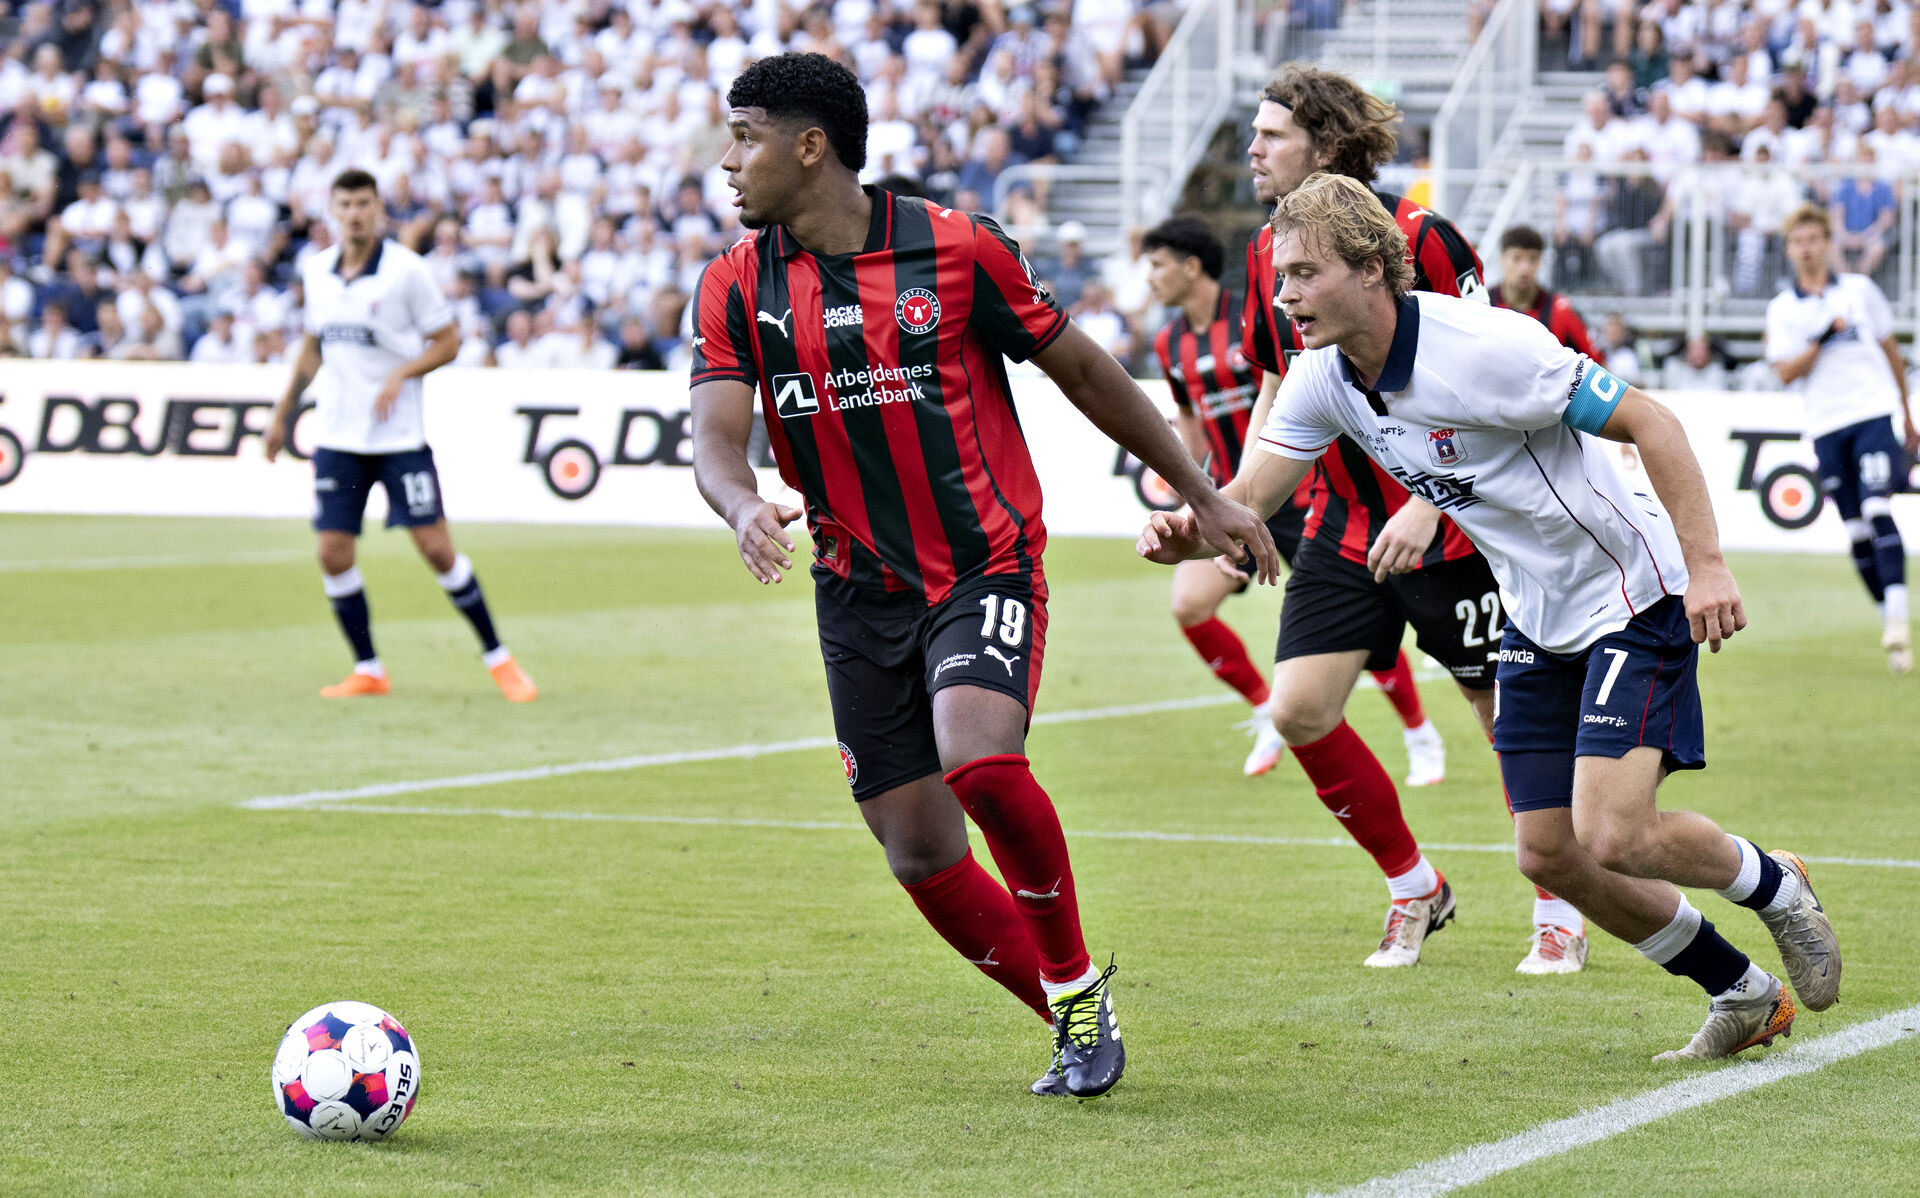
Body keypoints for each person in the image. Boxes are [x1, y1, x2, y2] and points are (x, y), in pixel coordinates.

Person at [1142, 171, 1842, 1059]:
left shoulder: (1486, 347)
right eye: (1281, 277)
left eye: (1304, 275)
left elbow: (1654, 423)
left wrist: (1706, 567)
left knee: (1613, 832)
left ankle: (1775, 885)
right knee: (1548, 855)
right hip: (1533, 613)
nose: (1284, 297)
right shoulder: (1322, 379)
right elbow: (1248, 497)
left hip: (1633, 589)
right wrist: (1189, 529)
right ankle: (1741, 993)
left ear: (1368, 270)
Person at [689, 54, 1277, 1101]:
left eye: (745, 136)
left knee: (980, 760)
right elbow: (717, 440)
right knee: (918, 851)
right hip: (857, 591)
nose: (728, 161)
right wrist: (743, 506)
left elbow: (1087, 372)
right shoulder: (739, 282)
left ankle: (1074, 990)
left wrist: (1209, 492)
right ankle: (1075, 1009)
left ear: (809, 145)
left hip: (982, 565)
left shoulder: (952, 248)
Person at [1240, 64, 1585, 975]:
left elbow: (1479, 379)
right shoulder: (1266, 252)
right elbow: (1280, 386)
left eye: (1272, 134)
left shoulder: (1417, 235)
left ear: (1324, 145)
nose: (1254, 149)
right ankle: (1414, 888)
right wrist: (1231, 506)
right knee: (1300, 711)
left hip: (1454, 526)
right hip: (1343, 525)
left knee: (1501, 717)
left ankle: (1562, 904)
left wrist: (1428, 507)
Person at [264, 169, 537, 704]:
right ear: (331, 210)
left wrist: (401, 373)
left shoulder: (407, 272)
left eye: (363, 203)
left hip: (397, 437)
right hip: (340, 437)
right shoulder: (317, 271)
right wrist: (282, 414)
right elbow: (313, 347)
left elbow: (449, 341)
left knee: (436, 549)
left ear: (378, 209)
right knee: (332, 552)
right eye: (344, 204)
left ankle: (499, 660)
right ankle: (368, 668)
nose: (354, 213)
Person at [1144, 215, 1309, 759]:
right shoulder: (1169, 344)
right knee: (1190, 604)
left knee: (1347, 610)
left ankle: (1416, 730)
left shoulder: (1252, 315)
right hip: (1228, 500)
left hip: (1294, 489)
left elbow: (1288, 388)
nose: (1150, 277)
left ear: (1192, 267)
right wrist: (1182, 490)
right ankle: (1265, 709)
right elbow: (1190, 430)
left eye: (1158, 264)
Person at [1765, 205, 1918, 674]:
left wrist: (1906, 413)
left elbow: (1891, 349)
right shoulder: (1784, 310)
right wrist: (1821, 339)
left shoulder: (1859, 291)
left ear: (1828, 242)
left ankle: (1898, 618)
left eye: (1814, 239)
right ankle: (1888, 627)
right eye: (1798, 241)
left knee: (1877, 508)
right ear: (1790, 249)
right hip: (1827, 424)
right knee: (1854, 530)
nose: (1807, 248)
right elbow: (1786, 371)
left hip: (1871, 412)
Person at [1490, 225, 1606, 361]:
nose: (1525, 268)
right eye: (1517, 258)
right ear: (1502, 259)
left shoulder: (1560, 311)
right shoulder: (1483, 305)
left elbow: (1598, 365)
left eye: (1533, 259)